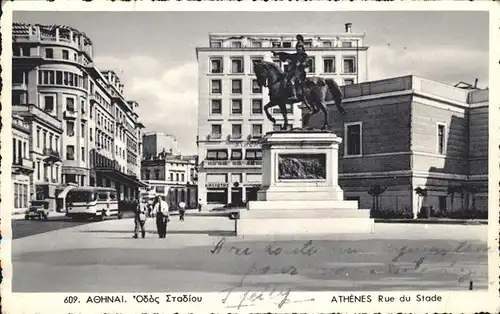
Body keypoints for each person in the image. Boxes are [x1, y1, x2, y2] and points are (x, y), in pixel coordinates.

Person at [272, 34, 308, 101]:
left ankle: (294, 95)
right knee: (283, 80)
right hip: (292, 72)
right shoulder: (295, 55)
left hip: (300, 73)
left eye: (300, 47)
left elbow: (307, 64)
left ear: (302, 48)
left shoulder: (304, 55)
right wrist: (277, 53)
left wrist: (301, 63)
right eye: (297, 47)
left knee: (291, 81)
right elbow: (286, 54)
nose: (298, 49)